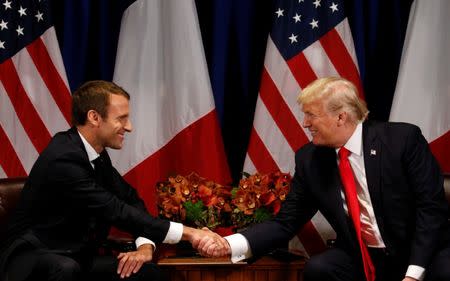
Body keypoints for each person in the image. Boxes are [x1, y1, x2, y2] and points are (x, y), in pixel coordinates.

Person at [198, 77, 450, 281]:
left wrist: (414, 275)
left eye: (311, 115)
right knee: (320, 268)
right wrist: (229, 244)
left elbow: (431, 209)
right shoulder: (311, 159)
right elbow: (286, 222)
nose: (305, 123)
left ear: (341, 117)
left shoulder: (401, 140)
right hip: (363, 257)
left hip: (420, 251)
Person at [0, 80, 226, 281]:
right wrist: (191, 233)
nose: (129, 127)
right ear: (94, 117)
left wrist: (145, 246)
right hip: (31, 257)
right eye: (121, 118)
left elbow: (131, 200)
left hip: (76, 257)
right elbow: (116, 210)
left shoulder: (96, 155)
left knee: (148, 274)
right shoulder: (64, 158)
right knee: (65, 270)